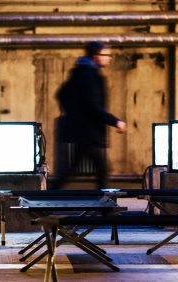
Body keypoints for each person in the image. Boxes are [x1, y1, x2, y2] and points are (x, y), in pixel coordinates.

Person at [51, 41, 126, 190]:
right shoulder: (88, 76)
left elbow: (61, 94)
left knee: (73, 169)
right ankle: (104, 208)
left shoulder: (80, 73)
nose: (109, 58)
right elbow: (93, 106)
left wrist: (74, 114)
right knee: (102, 171)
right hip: (89, 133)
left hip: (84, 131)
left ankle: (48, 197)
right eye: (106, 55)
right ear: (96, 55)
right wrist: (115, 121)